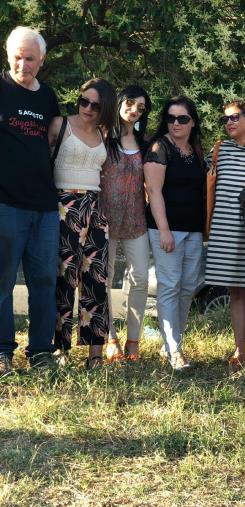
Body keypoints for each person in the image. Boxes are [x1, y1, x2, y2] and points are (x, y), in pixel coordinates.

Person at [0, 27, 61, 373]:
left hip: (44, 207)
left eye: (30, 59)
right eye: (17, 57)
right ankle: (2, 351)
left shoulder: (47, 97)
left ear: (42, 60)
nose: (23, 65)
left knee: (43, 281)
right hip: (5, 204)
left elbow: (53, 144)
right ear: (8, 55)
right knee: (2, 282)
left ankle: (40, 352)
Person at [50, 78, 116, 368]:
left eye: (96, 104)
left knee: (96, 279)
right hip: (64, 205)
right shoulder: (59, 125)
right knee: (64, 276)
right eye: (83, 101)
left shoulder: (105, 132)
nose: (88, 108)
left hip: (95, 207)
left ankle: (95, 352)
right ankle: (59, 349)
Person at [144, 96, 205, 371]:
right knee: (169, 286)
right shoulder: (160, 148)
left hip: (193, 230)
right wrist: (165, 229)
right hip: (165, 229)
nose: (176, 123)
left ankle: (172, 342)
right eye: (170, 118)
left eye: (182, 118)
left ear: (192, 122)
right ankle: (173, 349)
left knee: (188, 287)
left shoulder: (195, 149)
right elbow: (153, 192)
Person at [205, 99, 245, 369]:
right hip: (225, 231)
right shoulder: (219, 150)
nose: (229, 123)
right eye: (226, 118)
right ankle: (240, 351)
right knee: (237, 293)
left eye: (235, 117)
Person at [100, 85, 151, 363]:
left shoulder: (144, 142)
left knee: (140, 278)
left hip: (135, 219)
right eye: (130, 102)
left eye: (141, 107)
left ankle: (134, 341)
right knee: (104, 280)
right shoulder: (101, 135)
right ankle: (110, 338)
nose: (134, 110)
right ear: (120, 101)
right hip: (104, 218)